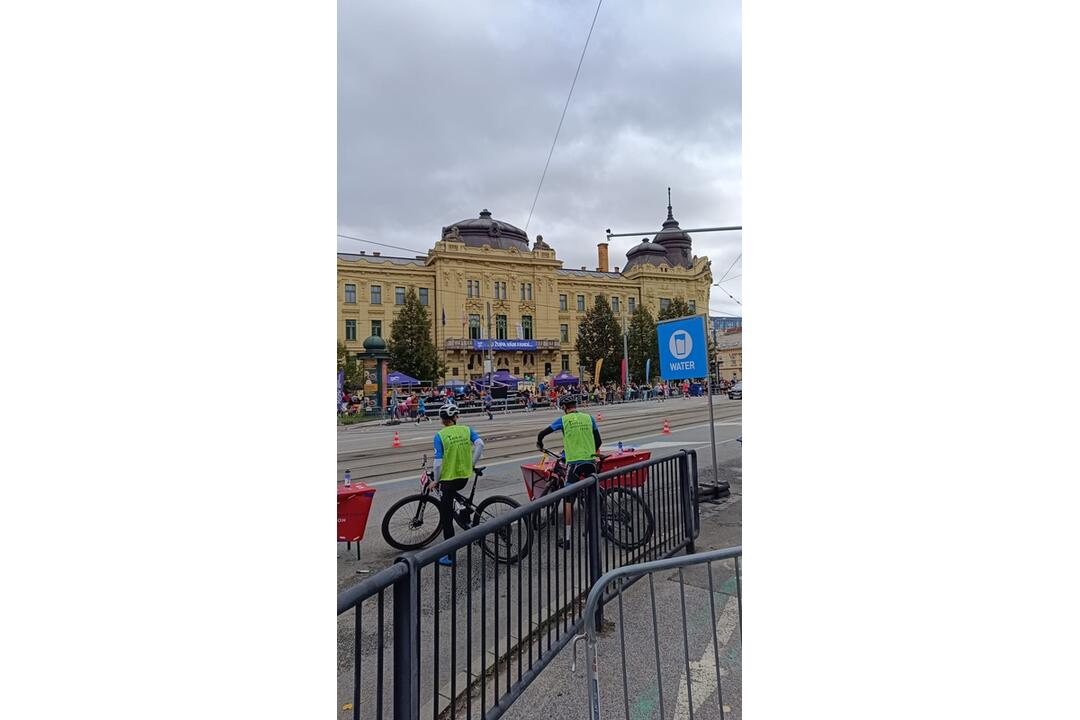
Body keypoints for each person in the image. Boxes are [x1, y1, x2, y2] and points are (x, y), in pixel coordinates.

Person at [535, 394, 602, 549]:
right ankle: (598, 527)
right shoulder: (589, 418)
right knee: (593, 494)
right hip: (591, 461)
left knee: (568, 501)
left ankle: (566, 540)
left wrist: (540, 443)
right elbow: (598, 441)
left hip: (574, 464)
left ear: (564, 407)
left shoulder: (563, 420)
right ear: (575, 405)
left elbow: (542, 433)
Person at [429, 403, 485, 566]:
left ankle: (450, 556)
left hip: (448, 479)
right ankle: (464, 511)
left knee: (446, 518)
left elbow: (438, 463)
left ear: (441, 420)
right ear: (456, 417)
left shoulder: (440, 435)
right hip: (464, 477)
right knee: (456, 499)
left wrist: (436, 480)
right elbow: (480, 444)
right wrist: (471, 464)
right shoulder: (466, 430)